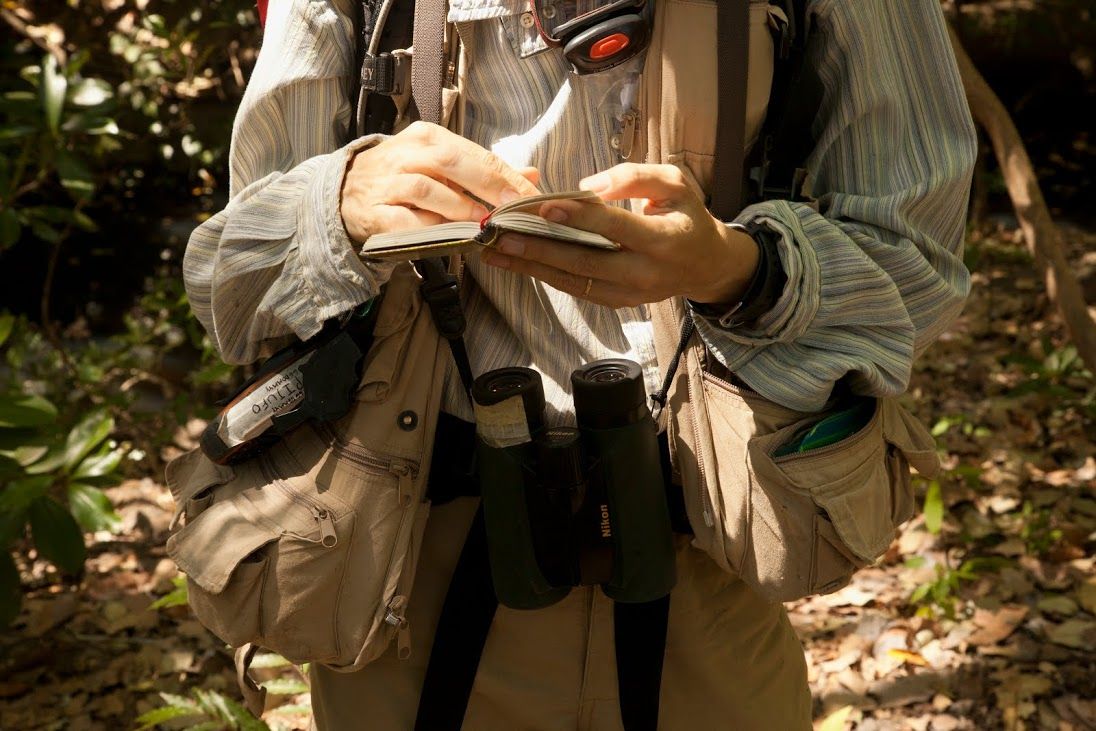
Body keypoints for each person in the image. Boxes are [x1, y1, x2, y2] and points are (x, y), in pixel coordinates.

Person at [183, 0, 975, 727]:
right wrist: (341, 202)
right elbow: (229, 283)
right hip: (406, 602)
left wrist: (739, 272)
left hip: (704, 582)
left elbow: (922, 267)